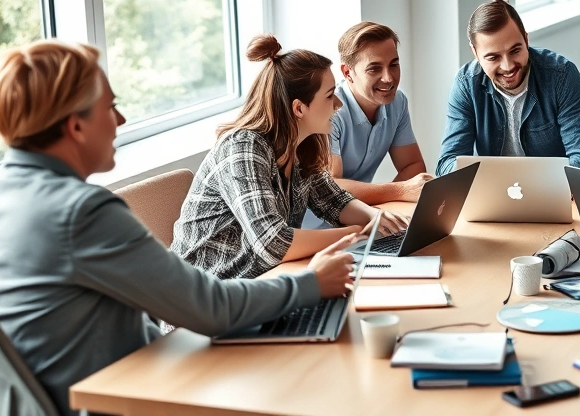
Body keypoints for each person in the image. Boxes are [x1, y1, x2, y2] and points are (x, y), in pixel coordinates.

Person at [0, 41, 356, 416]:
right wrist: (312, 283)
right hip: (130, 399)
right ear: (75, 127)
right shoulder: (82, 213)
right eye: (110, 107)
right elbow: (210, 308)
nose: (121, 120)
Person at [171, 35, 409, 280]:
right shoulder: (242, 149)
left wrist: (379, 220)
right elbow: (273, 242)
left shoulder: (301, 146)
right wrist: (358, 234)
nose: (338, 104)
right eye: (329, 95)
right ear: (299, 108)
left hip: (260, 286)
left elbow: (333, 200)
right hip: (203, 300)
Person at [436, 0, 580, 175]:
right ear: (475, 53)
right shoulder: (466, 85)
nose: (507, 67)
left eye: (515, 50)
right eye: (493, 57)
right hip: (492, 198)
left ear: (526, 39)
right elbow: (446, 163)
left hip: (553, 196)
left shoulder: (561, 76)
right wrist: (470, 177)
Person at [330, 22, 432, 204]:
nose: (389, 78)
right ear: (347, 72)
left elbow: (413, 166)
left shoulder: (397, 102)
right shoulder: (329, 110)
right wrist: (399, 191)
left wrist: (383, 210)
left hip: (360, 217)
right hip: (315, 228)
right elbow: (331, 187)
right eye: (374, 68)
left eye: (394, 65)